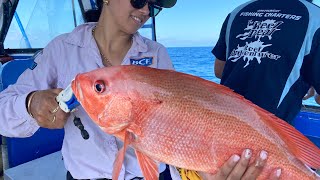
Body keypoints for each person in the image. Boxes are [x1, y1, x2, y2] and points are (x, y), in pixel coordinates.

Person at [0, 0, 279, 179]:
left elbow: (176, 135)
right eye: (138, 0)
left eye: (153, 5)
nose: (145, 10)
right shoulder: (61, 49)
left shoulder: (157, 55)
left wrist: (202, 174)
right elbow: (4, 111)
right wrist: (30, 103)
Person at [212, 0, 320, 125]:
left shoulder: (238, 11)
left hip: (223, 121)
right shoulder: (315, 17)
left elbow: (219, 71)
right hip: (271, 132)